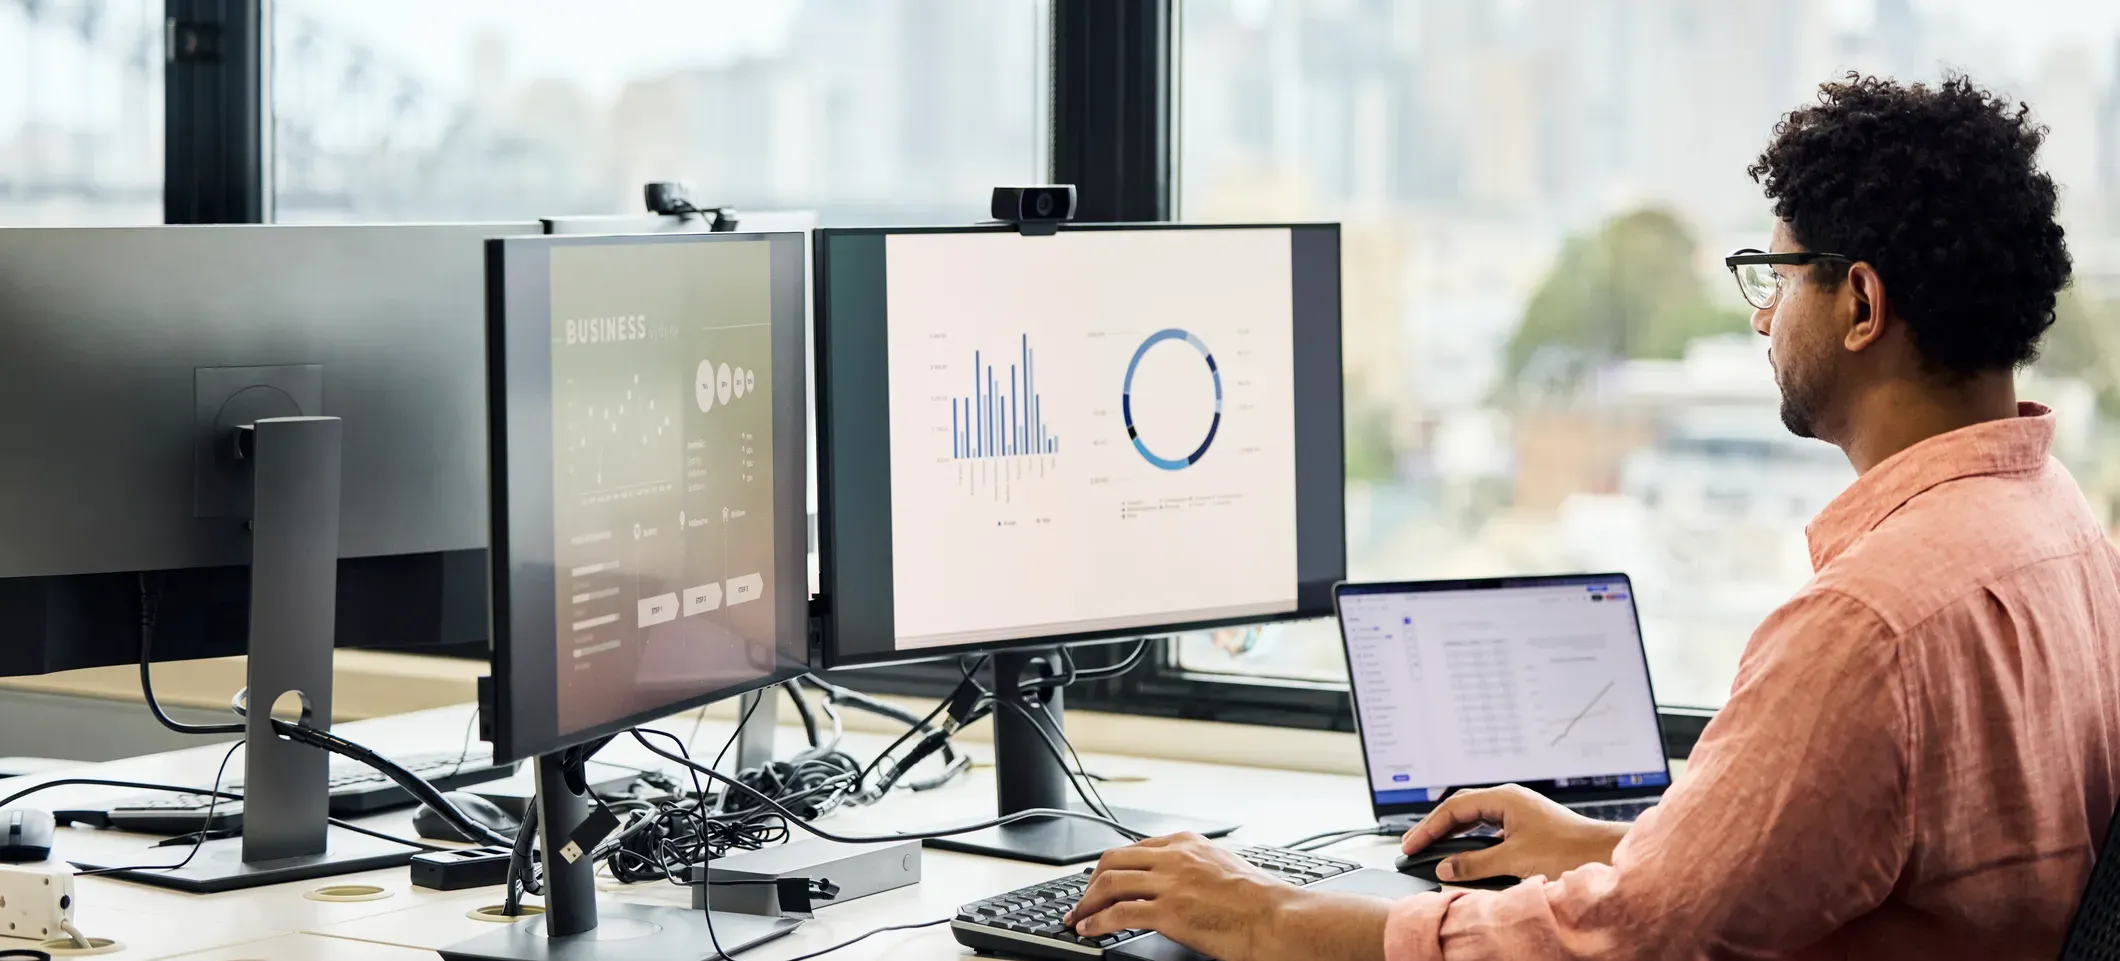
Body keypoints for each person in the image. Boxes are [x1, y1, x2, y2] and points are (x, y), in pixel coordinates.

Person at [1062, 73, 2120, 961]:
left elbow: (1627, 944)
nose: (1759, 315)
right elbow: (1834, 864)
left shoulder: (1867, 624)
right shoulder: (2060, 528)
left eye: (1774, 276)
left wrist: (1264, 912)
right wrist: (1592, 844)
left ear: (1857, 304)